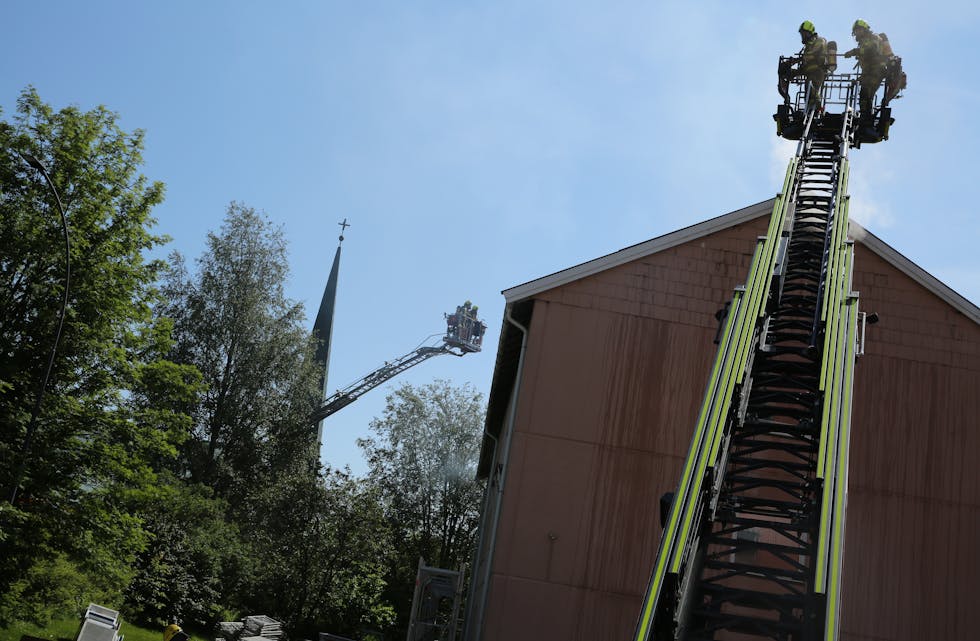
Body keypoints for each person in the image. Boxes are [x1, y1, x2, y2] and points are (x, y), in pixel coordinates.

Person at [844, 19, 888, 123]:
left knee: (865, 91)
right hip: (869, 72)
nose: (857, 33)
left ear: (864, 29)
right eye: (855, 31)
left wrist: (854, 52)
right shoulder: (864, 42)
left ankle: (866, 117)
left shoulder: (874, 37)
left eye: (859, 30)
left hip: (877, 70)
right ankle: (866, 116)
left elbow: (871, 50)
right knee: (865, 93)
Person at [797, 21, 828, 112]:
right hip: (810, 72)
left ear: (809, 33)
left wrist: (802, 58)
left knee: (811, 86)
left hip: (818, 70)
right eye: (801, 34)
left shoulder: (820, 40)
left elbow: (815, 52)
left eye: (804, 33)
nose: (802, 36)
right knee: (808, 89)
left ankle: (817, 105)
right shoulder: (807, 47)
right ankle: (810, 106)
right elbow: (805, 62)